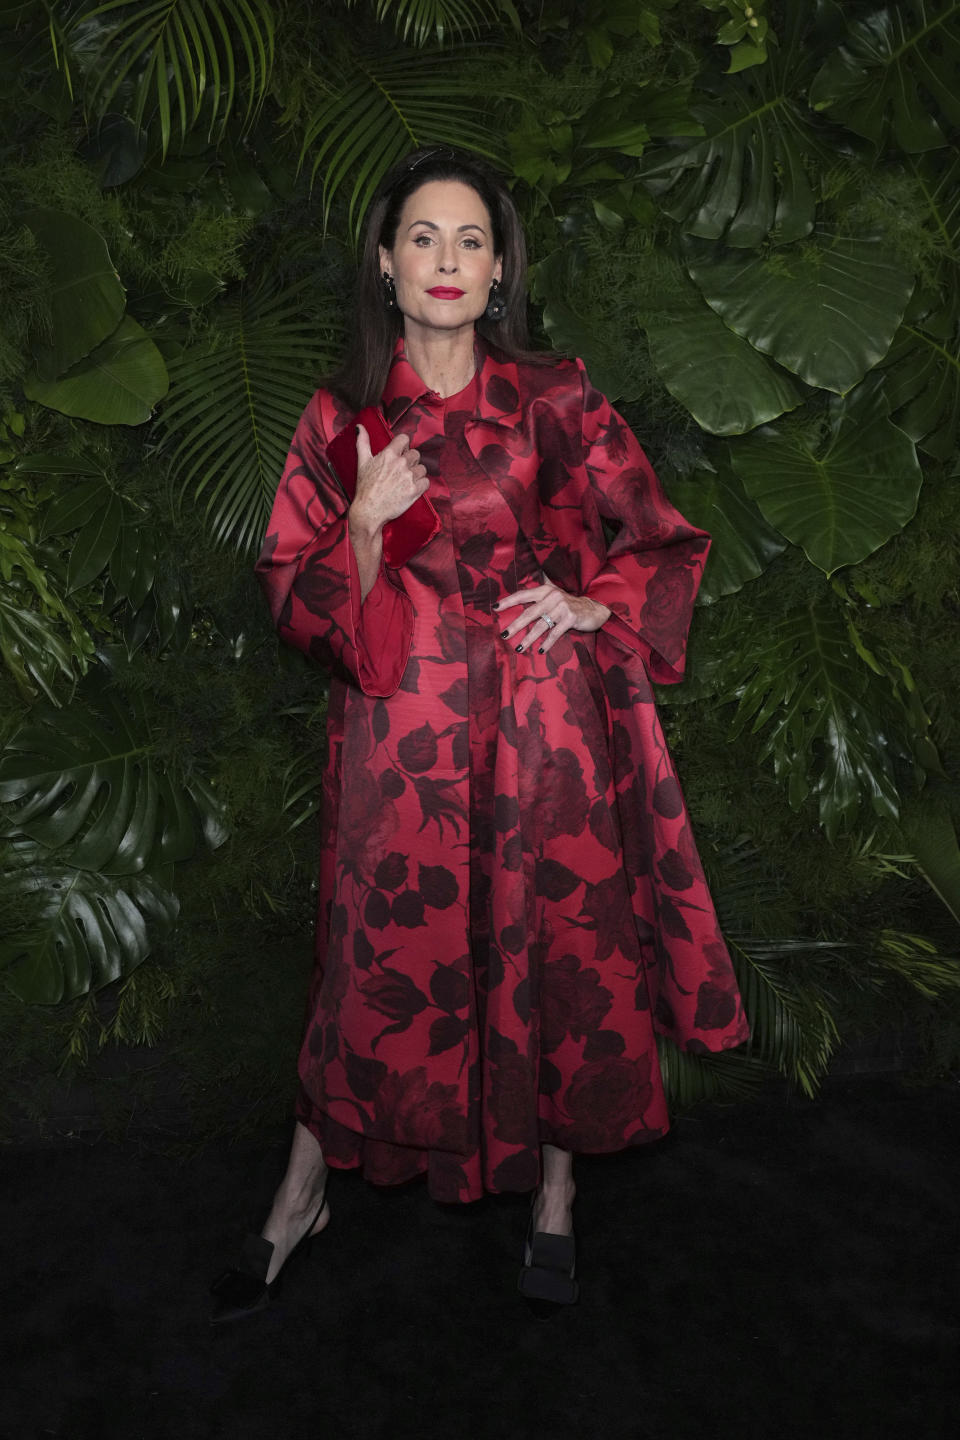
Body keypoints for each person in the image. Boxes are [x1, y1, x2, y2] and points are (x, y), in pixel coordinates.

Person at [210, 146, 749, 1322]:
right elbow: (295, 599)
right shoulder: (338, 420)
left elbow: (660, 537)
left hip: (546, 733)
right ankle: (303, 1190)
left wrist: (591, 600)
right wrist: (361, 526)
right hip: (400, 741)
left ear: (500, 268)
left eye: (470, 240)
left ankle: (557, 1198)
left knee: (557, 951)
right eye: (423, 238)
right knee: (372, 968)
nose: (446, 261)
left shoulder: (555, 397)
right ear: (387, 263)